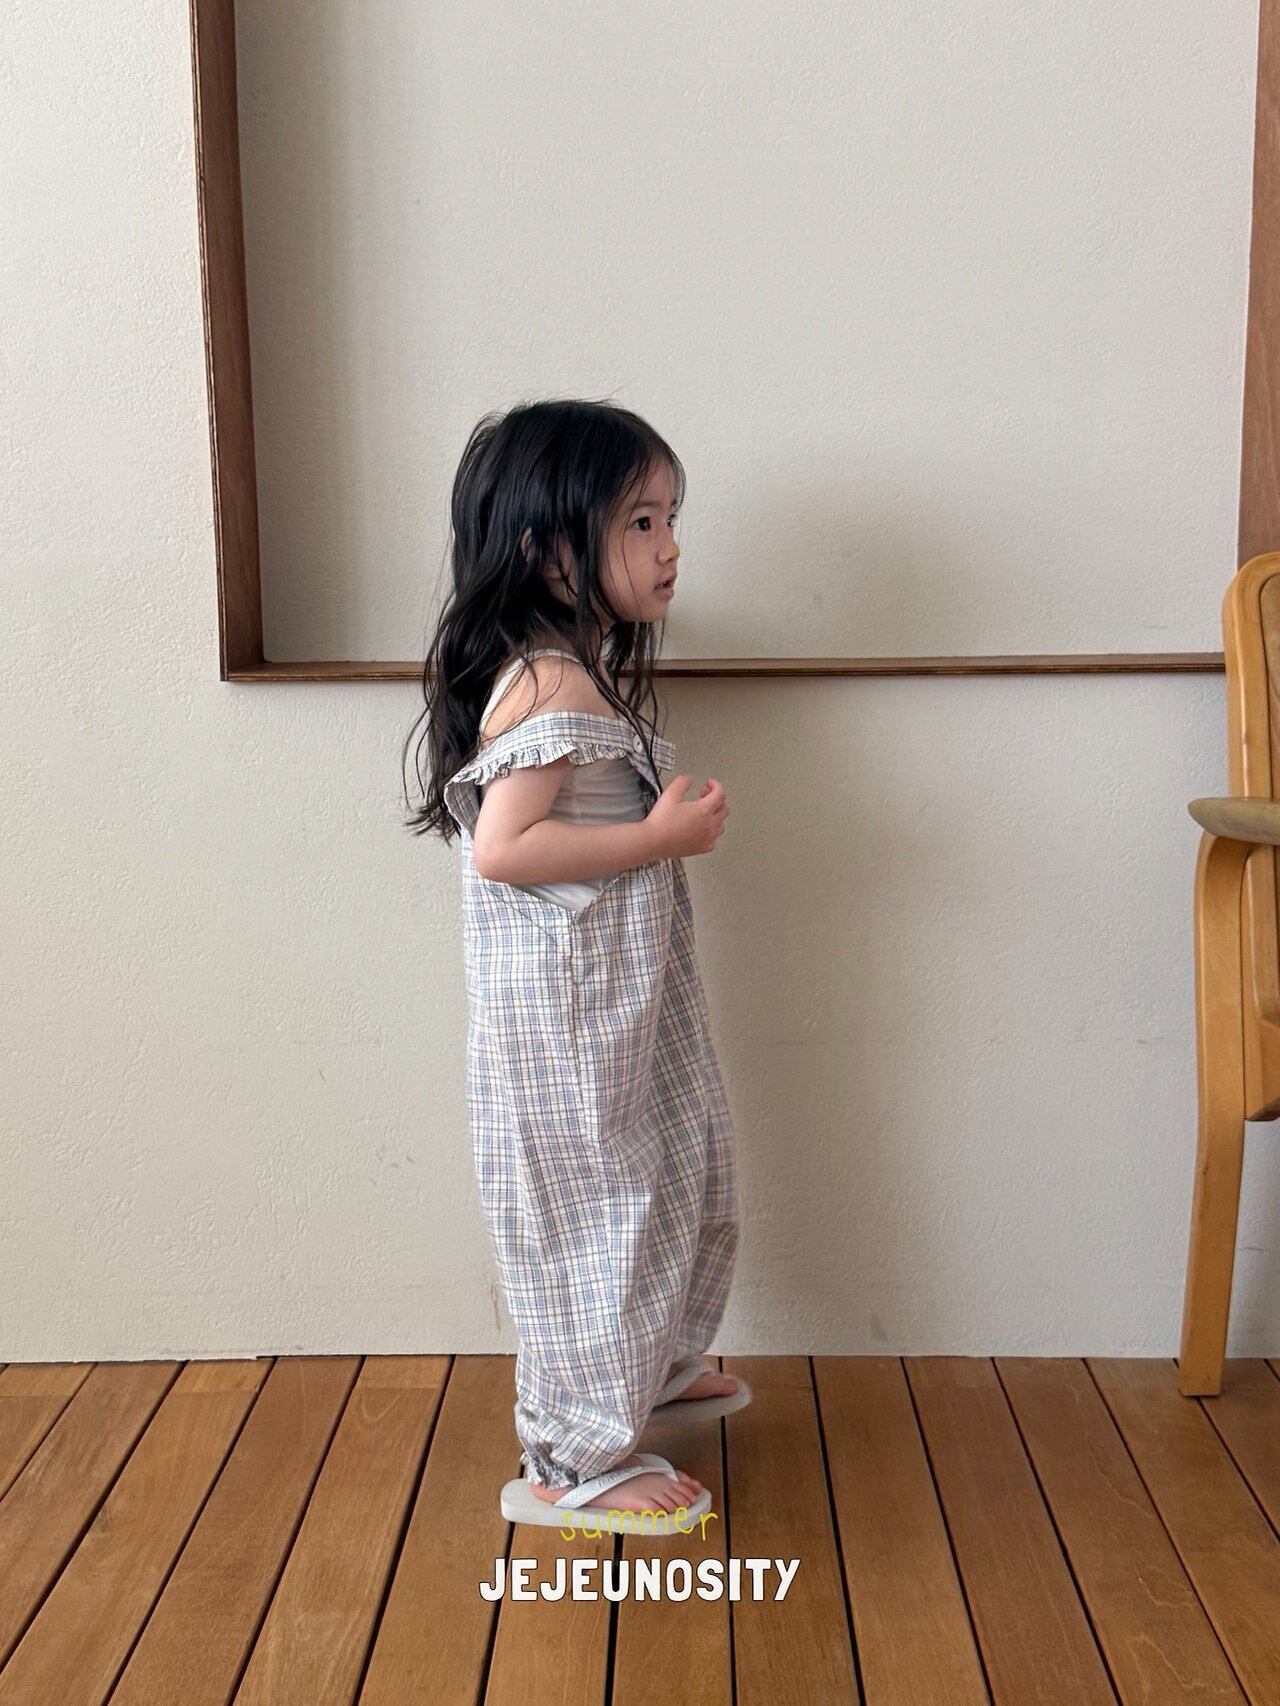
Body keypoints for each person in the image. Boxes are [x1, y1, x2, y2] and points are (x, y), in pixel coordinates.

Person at [404, 397, 747, 1534]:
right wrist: (657, 835)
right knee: (599, 1208)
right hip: (568, 1016)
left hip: (611, 996)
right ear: (543, 548)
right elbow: (504, 849)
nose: (669, 546)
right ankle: (570, 1457)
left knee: (676, 1165)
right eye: (640, 522)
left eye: (670, 517)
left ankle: (646, 1366)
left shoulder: (568, 670)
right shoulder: (549, 681)